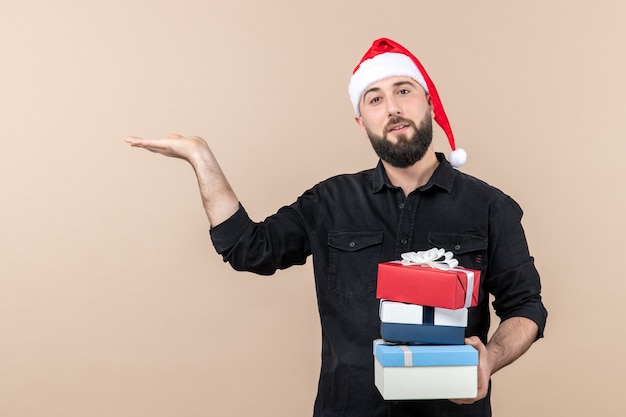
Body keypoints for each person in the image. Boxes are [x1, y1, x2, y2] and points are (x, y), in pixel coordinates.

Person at [125, 38, 547, 417]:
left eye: (403, 90)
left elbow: (526, 307)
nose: (393, 108)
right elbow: (247, 248)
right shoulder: (329, 203)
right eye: (374, 99)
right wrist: (200, 157)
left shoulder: (491, 206)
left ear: (429, 104)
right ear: (361, 122)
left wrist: (489, 358)